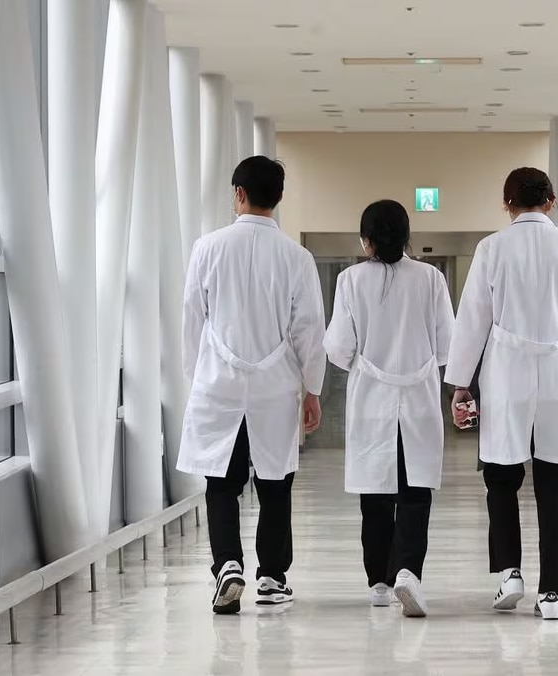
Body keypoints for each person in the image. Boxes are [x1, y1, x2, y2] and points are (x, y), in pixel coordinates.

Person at [444, 167, 558, 621]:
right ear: (551, 200)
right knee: (554, 481)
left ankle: (510, 573)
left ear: (507, 204)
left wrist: (462, 382)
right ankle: (551, 594)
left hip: (506, 371)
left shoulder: (491, 248)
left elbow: (472, 321)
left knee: (501, 477)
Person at [177, 156, 326, 615]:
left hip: (218, 384)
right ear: (278, 198)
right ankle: (272, 578)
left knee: (221, 483)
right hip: (275, 387)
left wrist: (195, 378)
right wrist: (313, 389)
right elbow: (309, 329)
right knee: (275, 483)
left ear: (238, 193)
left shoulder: (208, 247)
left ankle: (227, 566)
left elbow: (191, 319)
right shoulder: (296, 257)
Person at [324, 199, 455, 618]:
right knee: (416, 492)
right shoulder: (432, 279)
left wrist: (368, 360)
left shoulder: (349, 280)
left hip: (372, 400)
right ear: (406, 236)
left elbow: (339, 350)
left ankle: (379, 582)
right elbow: (446, 347)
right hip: (417, 397)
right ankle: (408, 573)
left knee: (375, 495)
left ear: (366, 240)